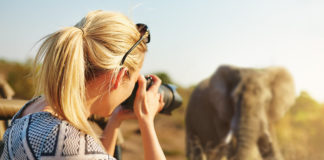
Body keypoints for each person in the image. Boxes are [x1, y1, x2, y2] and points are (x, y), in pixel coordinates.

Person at [0, 10, 166, 160]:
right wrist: (146, 122)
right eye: (135, 79)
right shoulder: (71, 147)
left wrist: (114, 122)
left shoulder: (32, 109)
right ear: (118, 77)